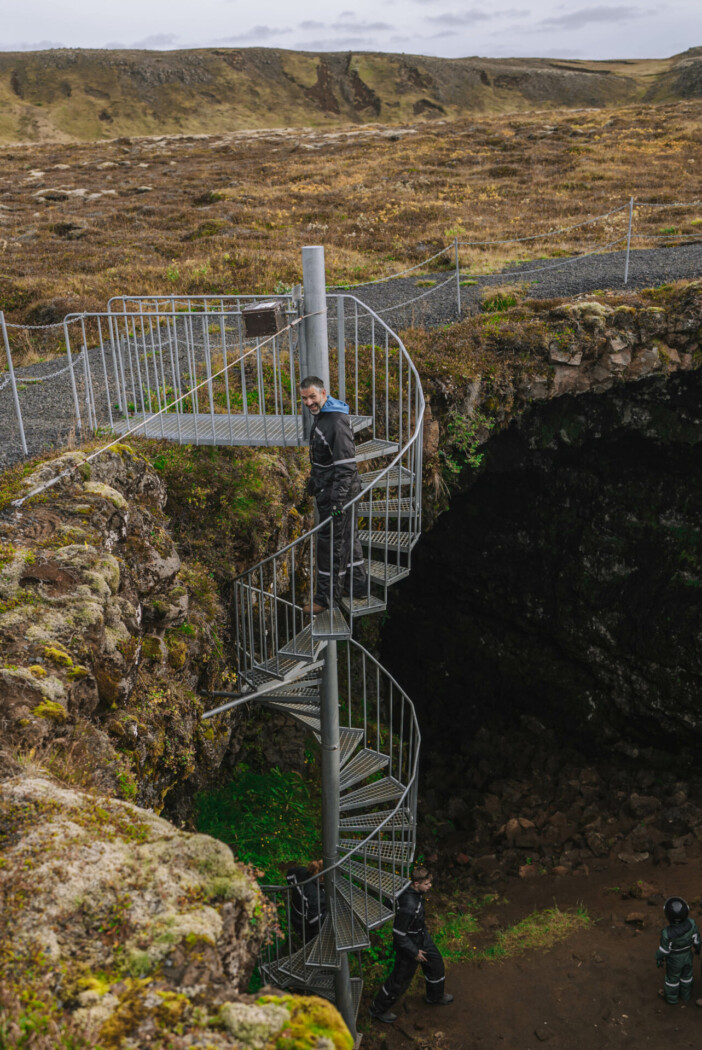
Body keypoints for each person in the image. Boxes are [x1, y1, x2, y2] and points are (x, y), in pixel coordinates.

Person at [299, 376, 367, 614]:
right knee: (348, 538)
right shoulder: (324, 416)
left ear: (323, 393)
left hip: (339, 493)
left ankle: (326, 598)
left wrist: (338, 501)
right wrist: (315, 480)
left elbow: (346, 466)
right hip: (332, 488)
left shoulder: (335, 422)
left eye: (312, 397)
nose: (308, 402)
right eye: (305, 398)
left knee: (331, 544)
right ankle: (357, 587)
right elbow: (327, 459)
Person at [370, 865, 453, 1024]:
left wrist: (382, 915)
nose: (430, 887)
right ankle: (377, 1009)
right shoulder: (409, 907)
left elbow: (391, 898)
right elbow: (399, 934)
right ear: (416, 884)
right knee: (399, 981)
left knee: (435, 963)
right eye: (427, 884)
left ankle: (434, 996)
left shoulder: (406, 886)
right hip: (408, 945)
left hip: (421, 936)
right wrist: (415, 952)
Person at [656, 895, 700, 1004]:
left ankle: (671, 999)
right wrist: (698, 949)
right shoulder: (692, 924)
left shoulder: (666, 933)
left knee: (672, 979)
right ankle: (686, 995)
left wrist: (658, 958)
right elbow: (697, 940)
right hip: (688, 955)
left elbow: (664, 950)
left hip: (674, 959)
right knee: (687, 976)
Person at [286, 860, 326, 942]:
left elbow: (289, 875)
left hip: (295, 913)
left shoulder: (302, 871)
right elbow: (314, 920)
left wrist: (296, 892)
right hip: (303, 926)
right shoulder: (315, 895)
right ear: (322, 877)